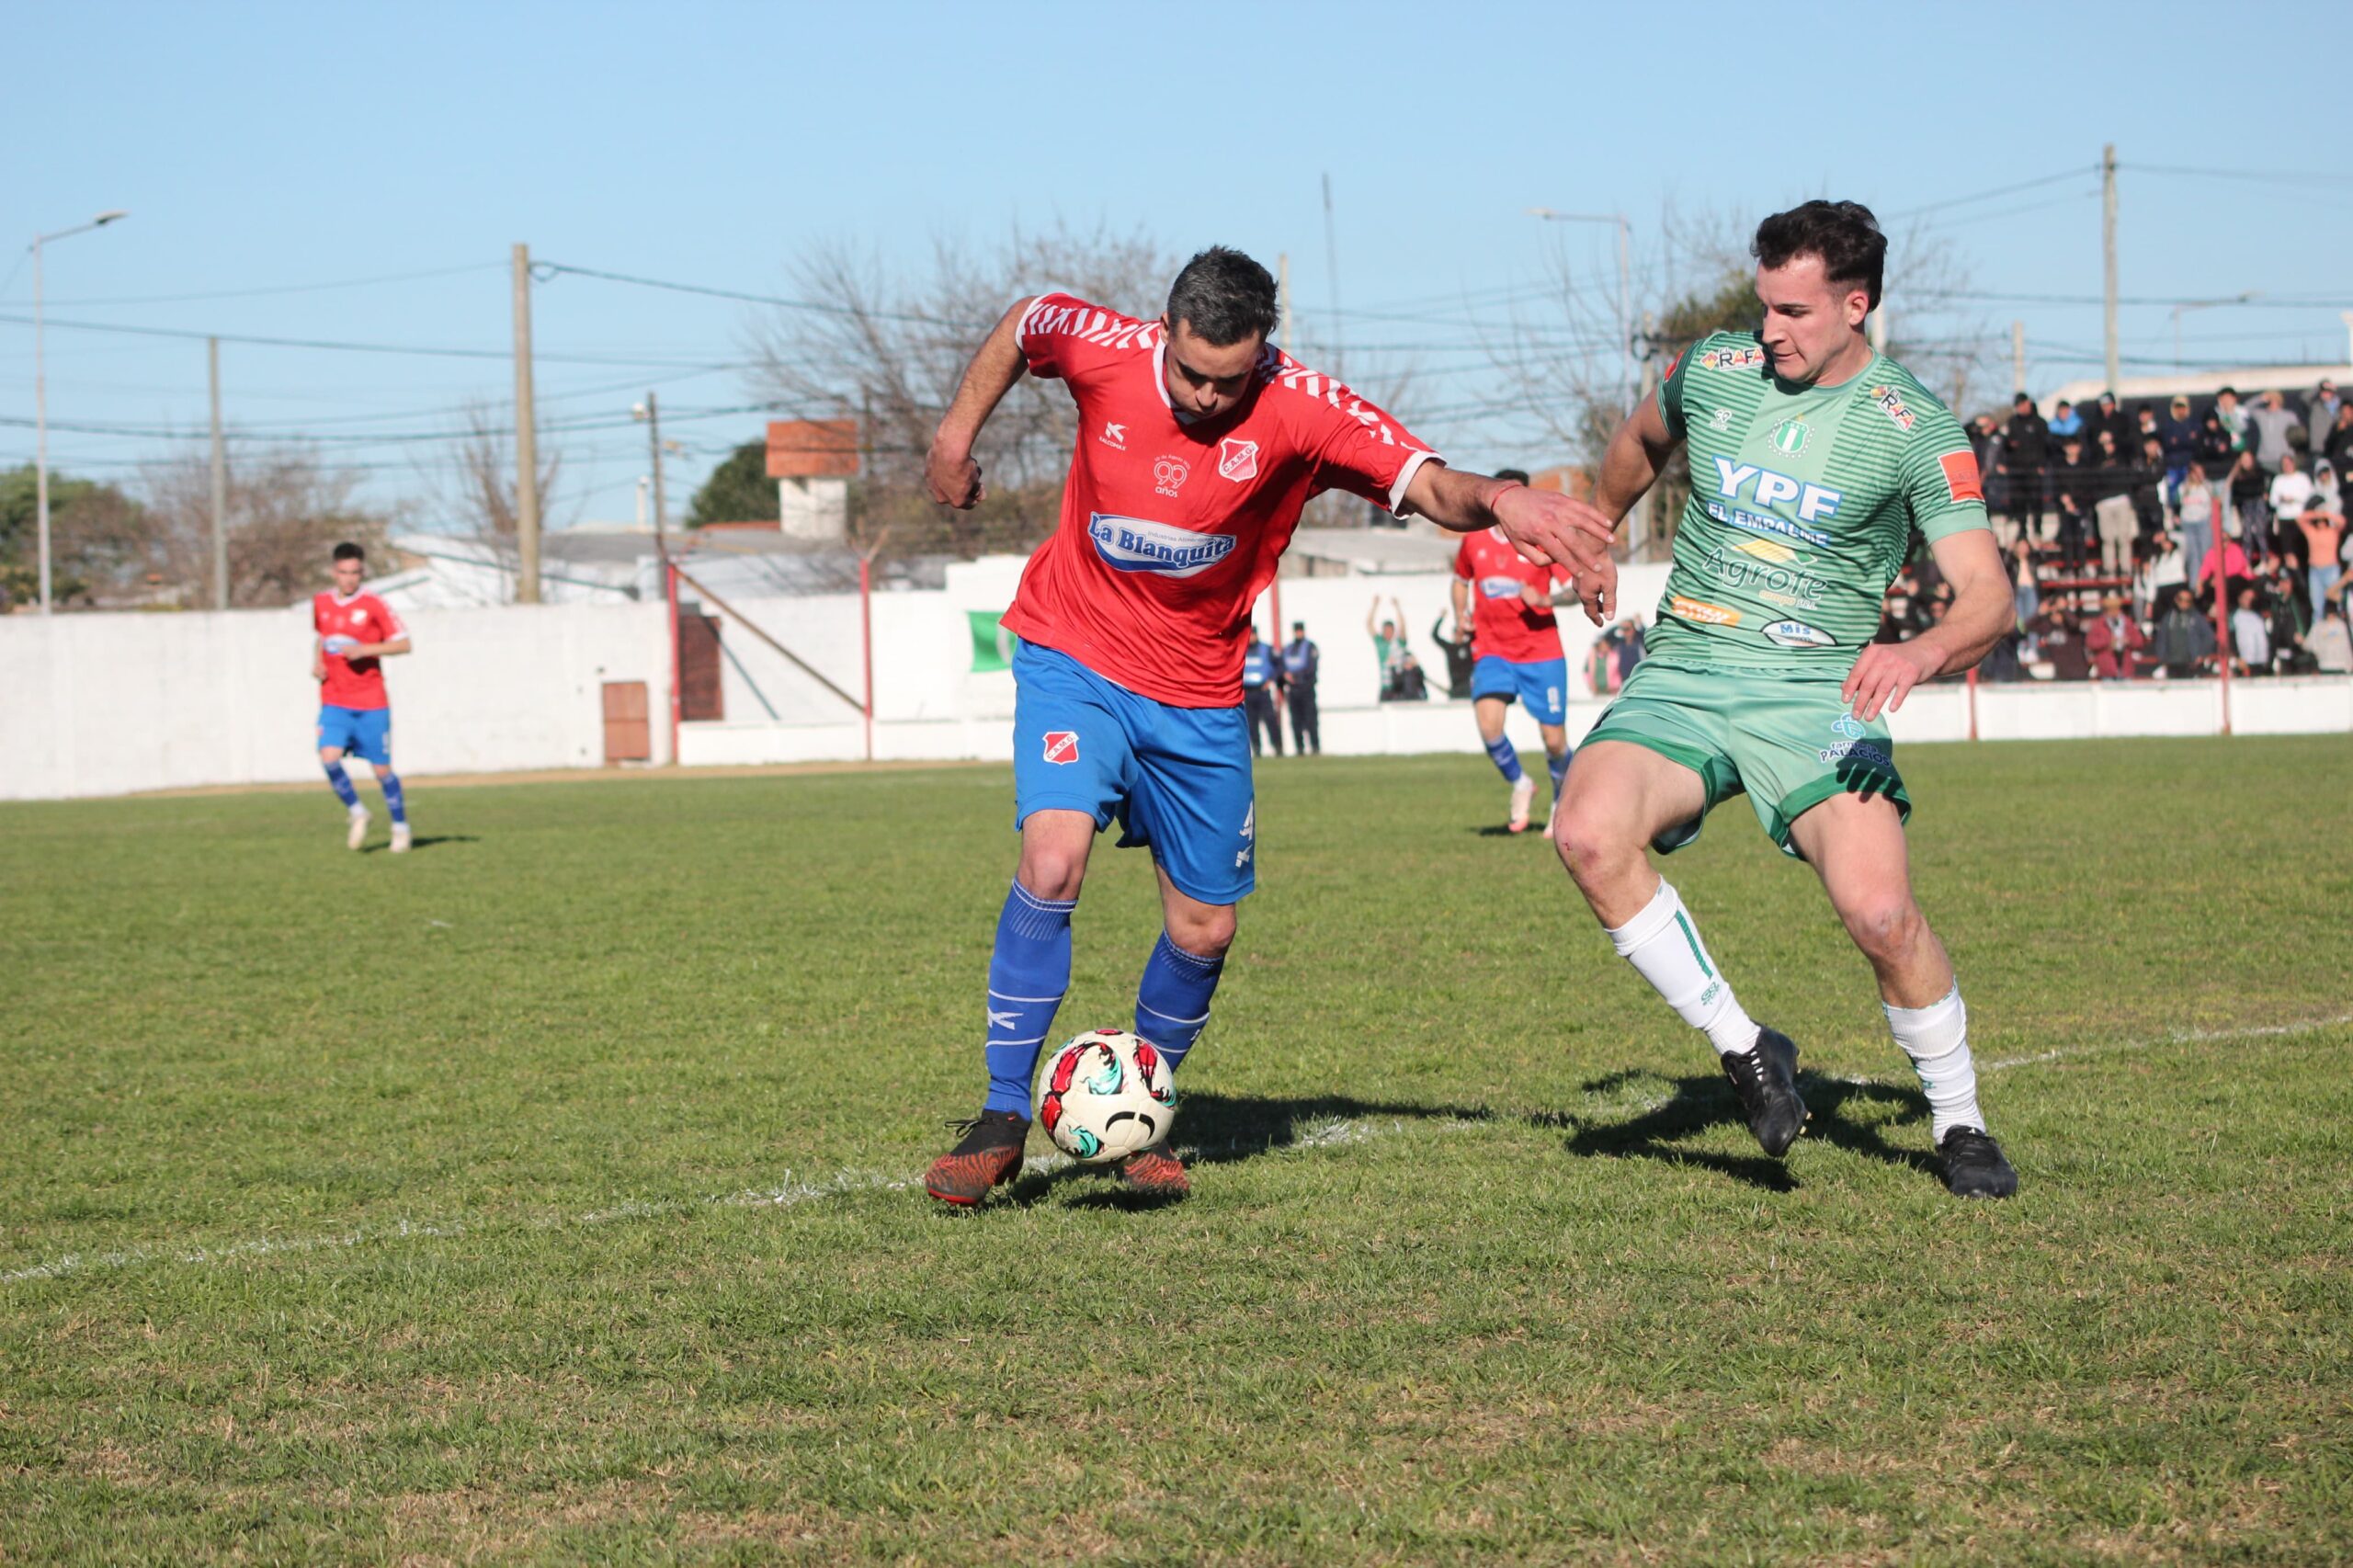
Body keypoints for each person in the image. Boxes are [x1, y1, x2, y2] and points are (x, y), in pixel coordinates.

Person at [915, 245, 1613, 1206]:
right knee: (1052, 861)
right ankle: (998, 1115)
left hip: (1199, 692)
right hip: (1072, 656)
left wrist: (1500, 499)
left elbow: (1428, 483)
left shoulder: (1306, 410)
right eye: (1191, 373)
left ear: (1262, 354)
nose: (1207, 396)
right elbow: (1023, 320)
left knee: (1204, 927)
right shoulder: (1099, 344)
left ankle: (1138, 1114)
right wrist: (954, 436)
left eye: (1229, 379)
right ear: (1162, 335)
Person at [1549, 199, 2018, 1200]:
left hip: (1814, 694)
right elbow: (1639, 438)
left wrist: (1924, 648)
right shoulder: (1714, 374)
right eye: (1766, 306)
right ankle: (1745, 1045)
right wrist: (1595, 526)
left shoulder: (1914, 431)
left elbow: (1989, 596)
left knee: (1882, 913)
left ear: (1856, 306)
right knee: (1586, 833)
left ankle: (1959, 1118)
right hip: (1684, 674)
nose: (1771, 330)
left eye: (1795, 312)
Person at [1452, 466, 1575, 833]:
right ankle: (1521, 783)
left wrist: (1545, 597)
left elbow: (1574, 588)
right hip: (1492, 650)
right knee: (1488, 726)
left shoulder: (1543, 539)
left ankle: (1561, 798)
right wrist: (1462, 615)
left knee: (1554, 741)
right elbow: (1460, 582)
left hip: (1541, 651)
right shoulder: (1473, 540)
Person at [313, 541, 413, 853]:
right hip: (334, 699)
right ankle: (358, 811)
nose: (349, 579)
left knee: (381, 770)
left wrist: (365, 650)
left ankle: (400, 826)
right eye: (343, 572)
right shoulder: (321, 603)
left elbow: (404, 644)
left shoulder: (374, 605)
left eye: (355, 572)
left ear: (362, 572)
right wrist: (316, 661)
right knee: (329, 757)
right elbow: (321, 637)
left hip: (371, 700)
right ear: (334, 572)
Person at [2000, 392, 2049, 545]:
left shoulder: (2040, 423)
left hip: (2034, 470)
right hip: (2018, 471)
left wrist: (2042, 465)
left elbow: (2046, 446)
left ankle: (2037, 530)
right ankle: (2022, 531)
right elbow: (2006, 445)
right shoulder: (2013, 422)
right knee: (2020, 502)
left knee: (2036, 502)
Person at [2151, 585, 2214, 678]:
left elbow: (2209, 636)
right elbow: (2162, 638)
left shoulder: (2196, 617)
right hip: (2171, 663)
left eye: (2187, 600)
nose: (2184, 603)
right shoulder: (2168, 617)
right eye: (2181, 599)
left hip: (2191, 664)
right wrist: (2162, 658)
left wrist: (2201, 654)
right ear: (2176, 600)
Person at [1240, 624, 1282, 756]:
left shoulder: (1266, 649)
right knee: (1252, 722)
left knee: (1270, 719)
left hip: (1262, 691)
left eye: (1253, 635)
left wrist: (1271, 680)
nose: (1251, 637)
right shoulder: (1242, 649)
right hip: (1248, 691)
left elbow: (1279, 666)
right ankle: (1257, 749)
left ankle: (1277, 747)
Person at [1280, 619, 1321, 754]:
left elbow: (1311, 668)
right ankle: (1300, 748)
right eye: (1297, 631)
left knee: (1310, 719)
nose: (1298, 633)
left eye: (1300, 631)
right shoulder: (1288, 649)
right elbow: (1281, 667)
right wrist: (1285, 676)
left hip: (1306, 688)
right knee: (1296, 720)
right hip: (1293, 690)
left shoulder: (1310, 647)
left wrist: (1295, 677)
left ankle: (1315, 747)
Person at [2084, 591, 2145, 680]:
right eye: (2111, 609)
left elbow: (2139, 641)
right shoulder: (2099, 624)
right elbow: (2090, 643)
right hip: (2107, 669)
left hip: (2125, 669)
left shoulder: (2127, 622)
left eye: (2116, 608)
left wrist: (2128, 640)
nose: (2114, 612)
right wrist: (2108, 642)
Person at [1367, 596, 1410, 696]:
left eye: (1390, 630)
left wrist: (1397, 607)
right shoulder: (1380, 642)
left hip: (1399, 687)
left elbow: (1403, 626)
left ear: (1393, 631)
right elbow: (1369, 624)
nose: (1387, 633)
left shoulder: (1399, 642)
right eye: (1385, 630)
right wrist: (1374, 605)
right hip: (1385, 687)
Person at [1429, 609, 1476, 699]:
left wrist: (1466, 625)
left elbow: (1475, 635)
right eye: (1456, 634)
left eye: (1460, 634)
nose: (1458, 636)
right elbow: (1434, 635)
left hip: (1468, 685)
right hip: (1455, 686)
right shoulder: (1449, 647)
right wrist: (1441, 618)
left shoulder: (1468, 646)